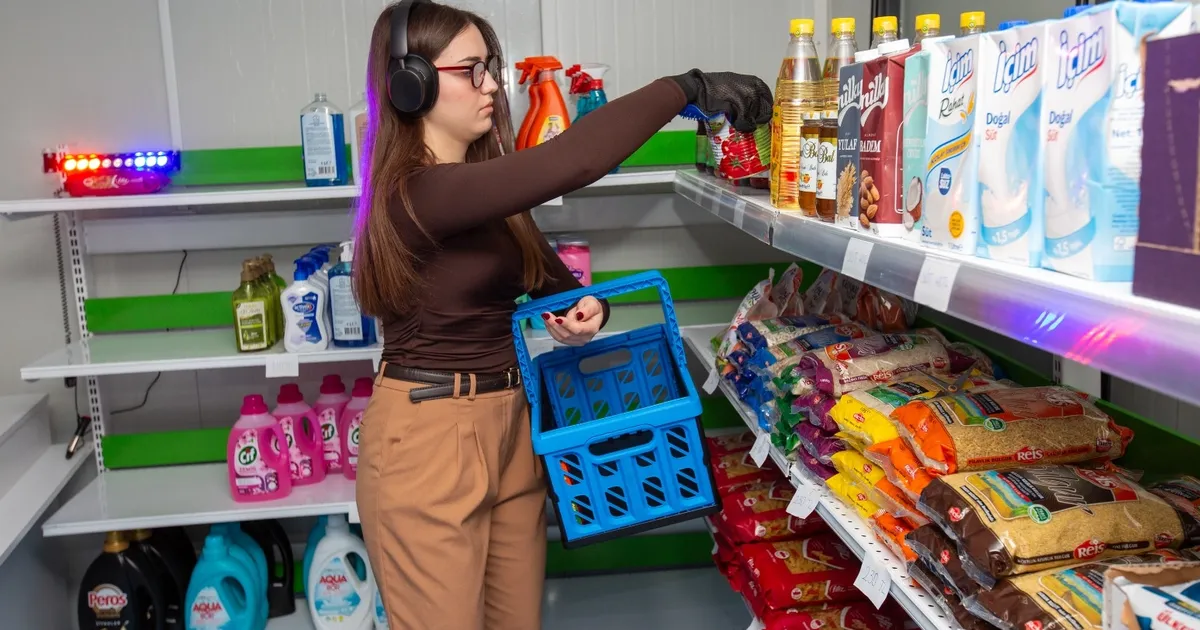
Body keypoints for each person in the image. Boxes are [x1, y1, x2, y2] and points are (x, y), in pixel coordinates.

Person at [351, 1, 772, 628]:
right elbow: (570, 162)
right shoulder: (415, 194)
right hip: (428, 438)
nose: (493, 83)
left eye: (490, 67)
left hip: (514, 426)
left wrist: (586, 309)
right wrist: (686, 89)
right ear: (411, 84)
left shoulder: (488, 191)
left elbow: (555, 284)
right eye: (472, 70)